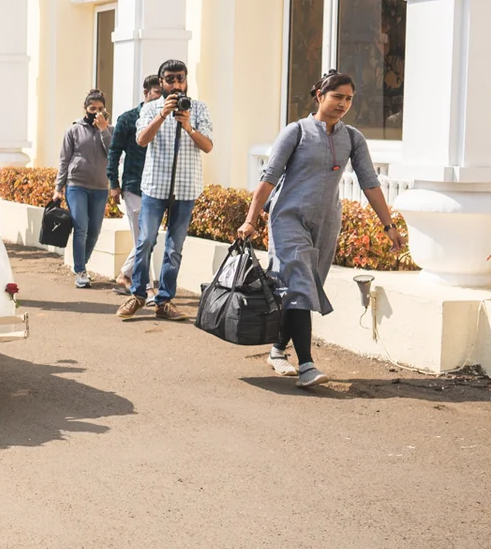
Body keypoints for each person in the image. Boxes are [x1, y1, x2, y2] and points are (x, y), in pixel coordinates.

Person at [238, 69, 403, 389]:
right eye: (338, 97)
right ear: (320, 96)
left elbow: (370, 183)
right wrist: (251, 218)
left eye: (349, 99)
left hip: (327, 223)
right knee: (299, 285)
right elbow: (268, 178)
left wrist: (389, 225)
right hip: (287, 218)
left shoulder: (352, 137)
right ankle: (307, 366)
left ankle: (276, 351)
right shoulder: (296, 132)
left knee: (301, 291)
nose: (344, 104)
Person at [119, 59, 214, 322]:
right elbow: (141, 140)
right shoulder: (150, 109)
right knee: (146, 240)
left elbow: (207, 146)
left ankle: (164, 300)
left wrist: (188, 126)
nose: (176, 84)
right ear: (161, 82)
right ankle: (138, 295)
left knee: (174, 248)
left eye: (180, 78)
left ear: (186, 80)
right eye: (170, 79)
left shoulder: (199, 109)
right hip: (154, 187)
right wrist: (162, 115)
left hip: (186, 189)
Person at [108, 75, 163, 295]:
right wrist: (114, 182)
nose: (160, 99)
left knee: (149, 238)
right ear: (146, 93)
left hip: (157, 188)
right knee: (144, 238)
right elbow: (114, 152)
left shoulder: (167, 120)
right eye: (157, 94)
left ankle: (125, 275)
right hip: (134, 185)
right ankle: (147, 287)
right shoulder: (128, 119)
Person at [55, 90, 114, 287]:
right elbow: (64, 160)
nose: (96, 112)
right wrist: (58, 188)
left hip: (100, 187)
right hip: (76, 185)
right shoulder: (73, 130)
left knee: (94, 231)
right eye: (92, 109)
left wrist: (103, 129)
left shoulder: (109, 130)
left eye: (100, 109)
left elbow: (113, 154)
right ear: (85, 108)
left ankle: (81, 264)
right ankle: (80, 271)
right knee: (81, 227)